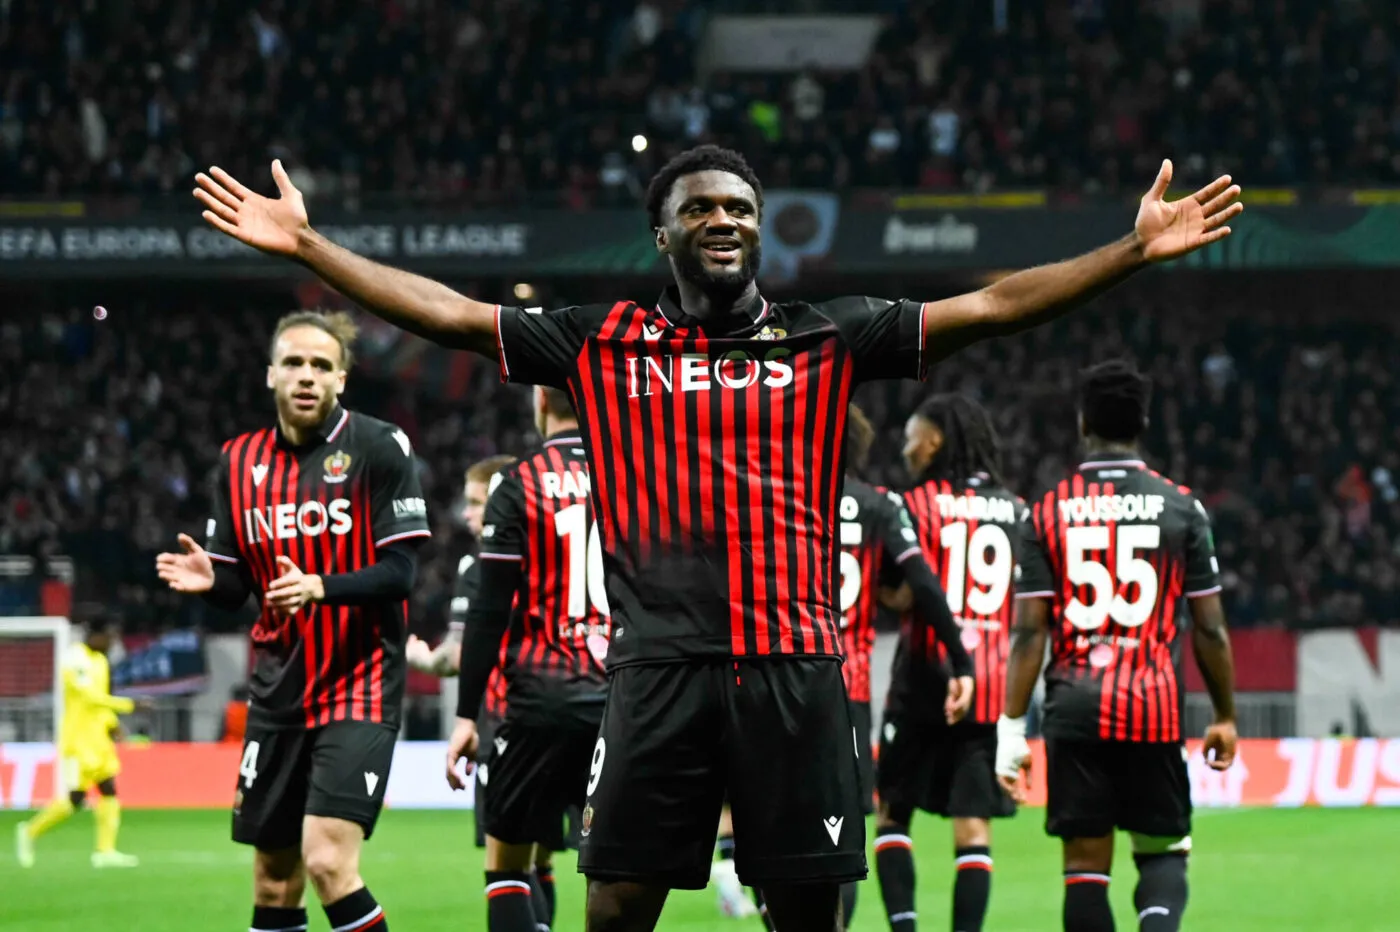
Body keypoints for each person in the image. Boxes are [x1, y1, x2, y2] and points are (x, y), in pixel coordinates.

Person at [192, 145, 1242, 932]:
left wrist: (1132, 251)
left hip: (795, 673)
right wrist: (312, 249)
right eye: (700, 207)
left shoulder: (826, 336)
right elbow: (454, 315)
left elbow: (994, 302)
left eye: (739, 207)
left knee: (807, 908)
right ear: (664, 231)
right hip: (655, 677)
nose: (724, 219)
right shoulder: (603, 340)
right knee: (612, 905)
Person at [155, 311, 431, 932]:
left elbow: (400, 573)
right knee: (274, 880)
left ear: (342, 380)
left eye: (321, 366)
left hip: (357, 686)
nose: (307, 376)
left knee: (328, 863)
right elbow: (238, 590)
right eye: (295, 363)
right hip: (278, 691)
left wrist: (321, 586)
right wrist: (213, 582)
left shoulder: (378, 446)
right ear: (271, 374)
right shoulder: (237, 460)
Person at [998, 360, 1239, 932]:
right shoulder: (1182, 508)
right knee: (1162, 852)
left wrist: (1011, 727)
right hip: (1150, 707)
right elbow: (1210, 628)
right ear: (1143, 423)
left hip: (1073, 710)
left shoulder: (1048, 510)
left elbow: (1029, 631)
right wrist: (1226, 715)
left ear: (1083, 423)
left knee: (1084, 869)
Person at [445, 386, 611, 932]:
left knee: (508, 865)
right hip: (624, 703)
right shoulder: (634, 473)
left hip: (539, 699)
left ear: (541, 400)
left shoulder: (516, 481)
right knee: (614, 873)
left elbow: (489, 611)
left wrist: (468, 715)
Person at [875, 394, 1022, 932]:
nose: (906, 446)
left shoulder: (912, 504)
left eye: (912, 434)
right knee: (974, 830)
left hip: (922, 680)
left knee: (893, 815)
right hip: (988, 687)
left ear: (935, 440)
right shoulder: (1018, 510)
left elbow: (899, 595)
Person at [834, 402, 978, 928]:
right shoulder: (879, 506)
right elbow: (922, 584)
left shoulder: (778, 500)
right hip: (844, 689)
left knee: (771, 839)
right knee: (839, 843)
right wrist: (961, 659)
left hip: (772, 683)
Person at [405, 454, 517, 854]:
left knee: (507, 858)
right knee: (545, 857)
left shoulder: (478, 566)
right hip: (575, 703)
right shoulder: (552, 555)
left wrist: (420, 658)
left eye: (475, 502)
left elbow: (455, 657)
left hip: (503, 719)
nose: (466, 513)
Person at [16, 621, 145, 869]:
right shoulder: (75, 660)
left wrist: (112, 724)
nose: (111, 644)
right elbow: (89, 697)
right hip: (77, 741)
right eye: (108, 637)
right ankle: (30, 831)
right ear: (95, 636)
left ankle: (105, 851)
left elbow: (100, 702)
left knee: (109, 788)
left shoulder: (100, 661)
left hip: (98, 739)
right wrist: (129, 704)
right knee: (76, 798)